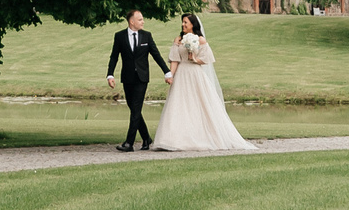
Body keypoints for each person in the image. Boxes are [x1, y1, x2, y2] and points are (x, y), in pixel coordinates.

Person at [151, 14, 259, 153]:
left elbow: (207, 59)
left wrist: (194, 58)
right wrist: (170, 75)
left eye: (185, 22)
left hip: (195, 74)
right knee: (178, 104)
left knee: (198, 104)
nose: (183, 25)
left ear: (192, 24)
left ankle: (200, 136)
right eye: (182, 22)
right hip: (181, 74)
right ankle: (172, 140)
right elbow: (175, 59)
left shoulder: (200, 40)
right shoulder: (178, 39)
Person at [105, 10, 167, 151]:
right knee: (134, 109)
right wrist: (110, 75)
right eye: (140, 19)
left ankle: (129, 143)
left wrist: (167, 72)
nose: (143, 22)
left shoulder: (147, 36)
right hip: (127, 78)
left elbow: (156, 55)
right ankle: (146, 137)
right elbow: (114, 56)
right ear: (131, 21)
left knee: (136, 109)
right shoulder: (119, 36)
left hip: (142, 78)